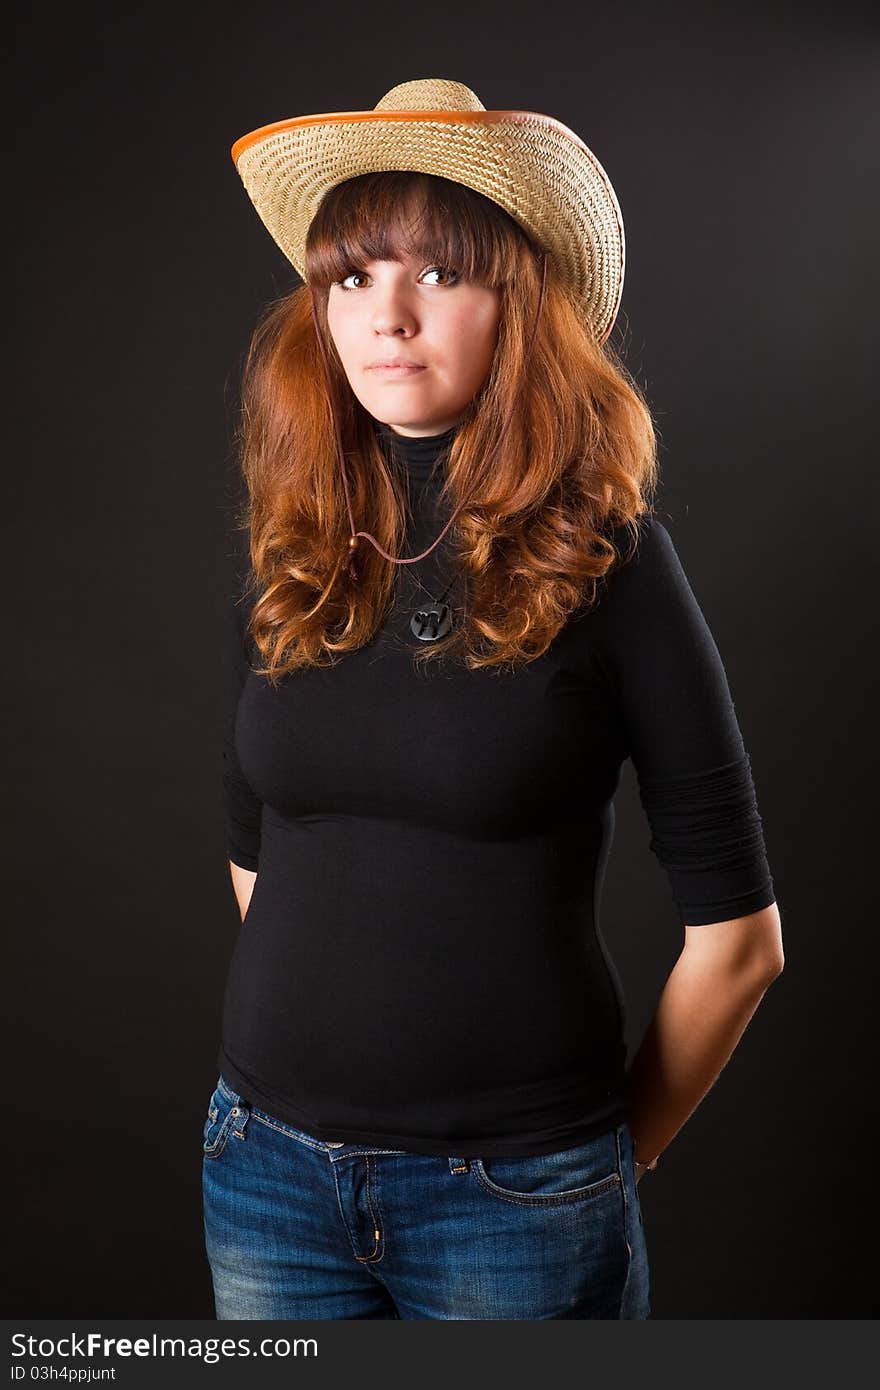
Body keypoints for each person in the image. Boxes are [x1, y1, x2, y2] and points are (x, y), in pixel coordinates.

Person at [202, 77, 784, 1321]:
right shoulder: (302, 539)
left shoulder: (610, 558)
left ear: (515, 306)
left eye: (438, 275)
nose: (387, 316)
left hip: (512, 1202)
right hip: (264, 1176)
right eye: (352, 278)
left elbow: (740, 945)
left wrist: (605, 1166)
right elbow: (260, 854)